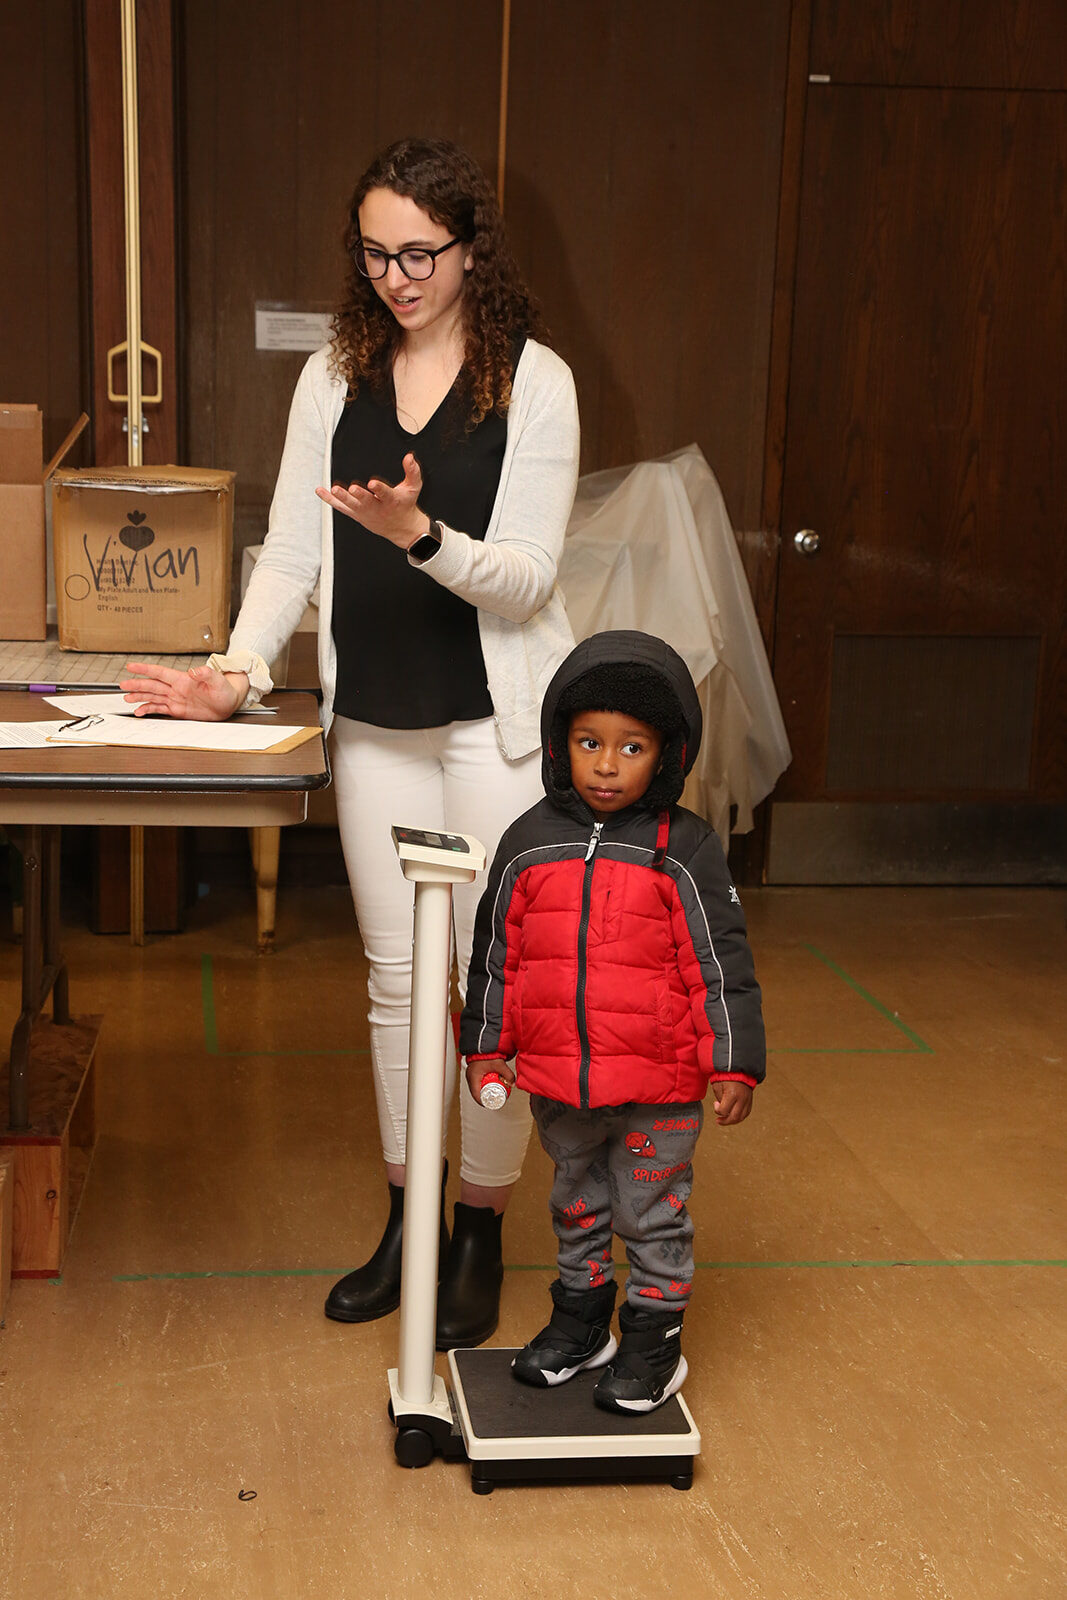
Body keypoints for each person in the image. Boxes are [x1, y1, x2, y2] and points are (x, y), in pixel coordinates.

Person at [121, 137, 580, 1348]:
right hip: (373, 726)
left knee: (488, 993)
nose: (397, 275)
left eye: (419, 252)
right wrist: (236, 672)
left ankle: (478, 1225)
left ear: (471, 248)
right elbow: (286, 550)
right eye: (375, 253)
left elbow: (528, 581)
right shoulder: (333, 375)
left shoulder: (534, 381)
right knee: (393, 987)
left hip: (494, 735)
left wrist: (421, 532)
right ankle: (404, 1219)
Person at [460, 630, 765, 1412]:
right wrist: (486, 1048)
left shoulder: (684, 849)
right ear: (559, 744)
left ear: (664, 756)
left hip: (658, 1087)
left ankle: (653, 1337)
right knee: (576, 1205)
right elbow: (497, 955)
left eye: (630, 748)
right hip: (561, 1081)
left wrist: (732, 1062)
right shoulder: (528, 844)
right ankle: (581, 1321)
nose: (605, 764)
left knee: (648, 1209)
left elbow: (718, 963)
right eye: (589, 742)